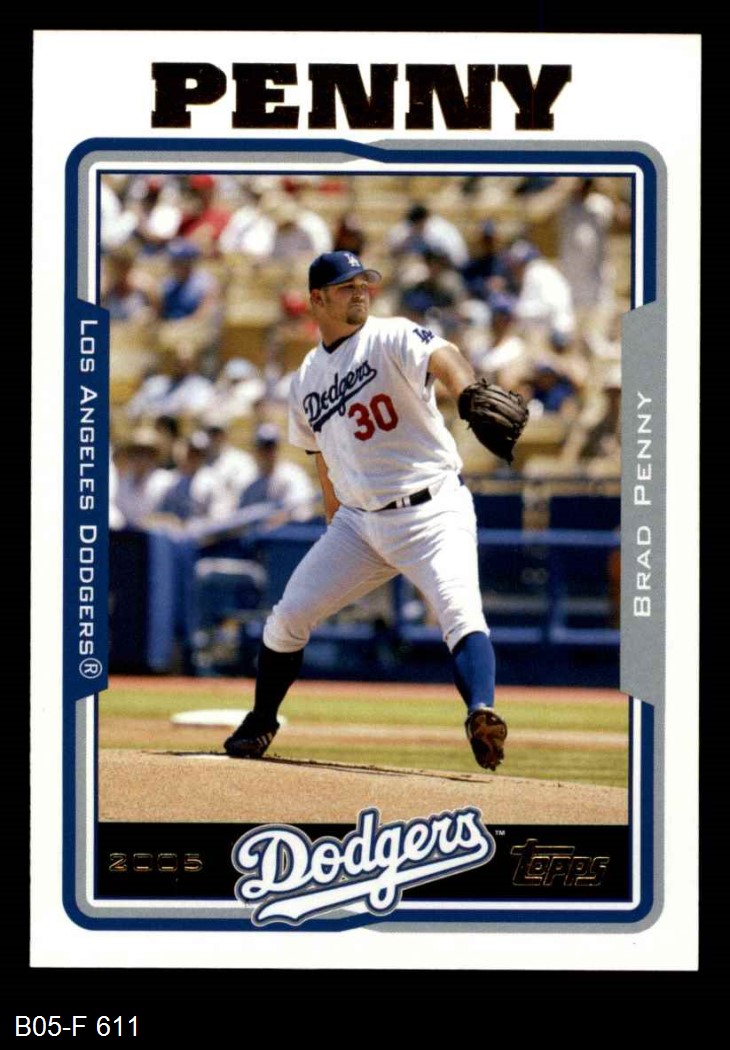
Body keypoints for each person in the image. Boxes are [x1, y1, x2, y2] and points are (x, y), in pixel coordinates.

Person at [224, 250, 509, 771]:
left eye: (364, 283)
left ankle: (481, 713)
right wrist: (334, 521)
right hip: (358, 523)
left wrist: (467, 391)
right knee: (287, 617)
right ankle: (262, 719)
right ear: (317, 299)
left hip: (432, 510)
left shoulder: (391, 334)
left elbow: (444, 356)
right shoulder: (306, 377)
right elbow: (321, 458)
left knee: (460, 612)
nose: (360, 291)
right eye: (346, 286)